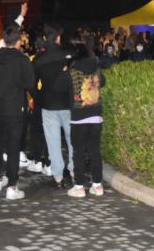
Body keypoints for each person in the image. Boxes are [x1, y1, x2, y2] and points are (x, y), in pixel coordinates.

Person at [0, 25, 36, 200]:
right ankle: (12, 185)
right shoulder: (22, 60)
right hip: (14, 107)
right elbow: (30, 83)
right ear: (19, 42)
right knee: (14, 146)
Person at [55, 41, 106, 198]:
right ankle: (97, 185)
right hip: (96, 116)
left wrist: (64, 69)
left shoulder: (72, 71)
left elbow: (58, 86)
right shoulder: (96, 69)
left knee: (78, 153)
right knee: (94, 151)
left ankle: (79, 187)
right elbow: (103, 82)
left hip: (79, 117)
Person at [33, 23, 75, 189]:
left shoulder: (38, 60)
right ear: (58, 37)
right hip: (67, 103)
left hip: (48, 104)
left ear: (45, 38)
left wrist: (39, 98)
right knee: (72, 139)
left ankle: (58, 176)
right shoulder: (69, 55)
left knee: (53, 141)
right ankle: (73, 170)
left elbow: (32, 84)